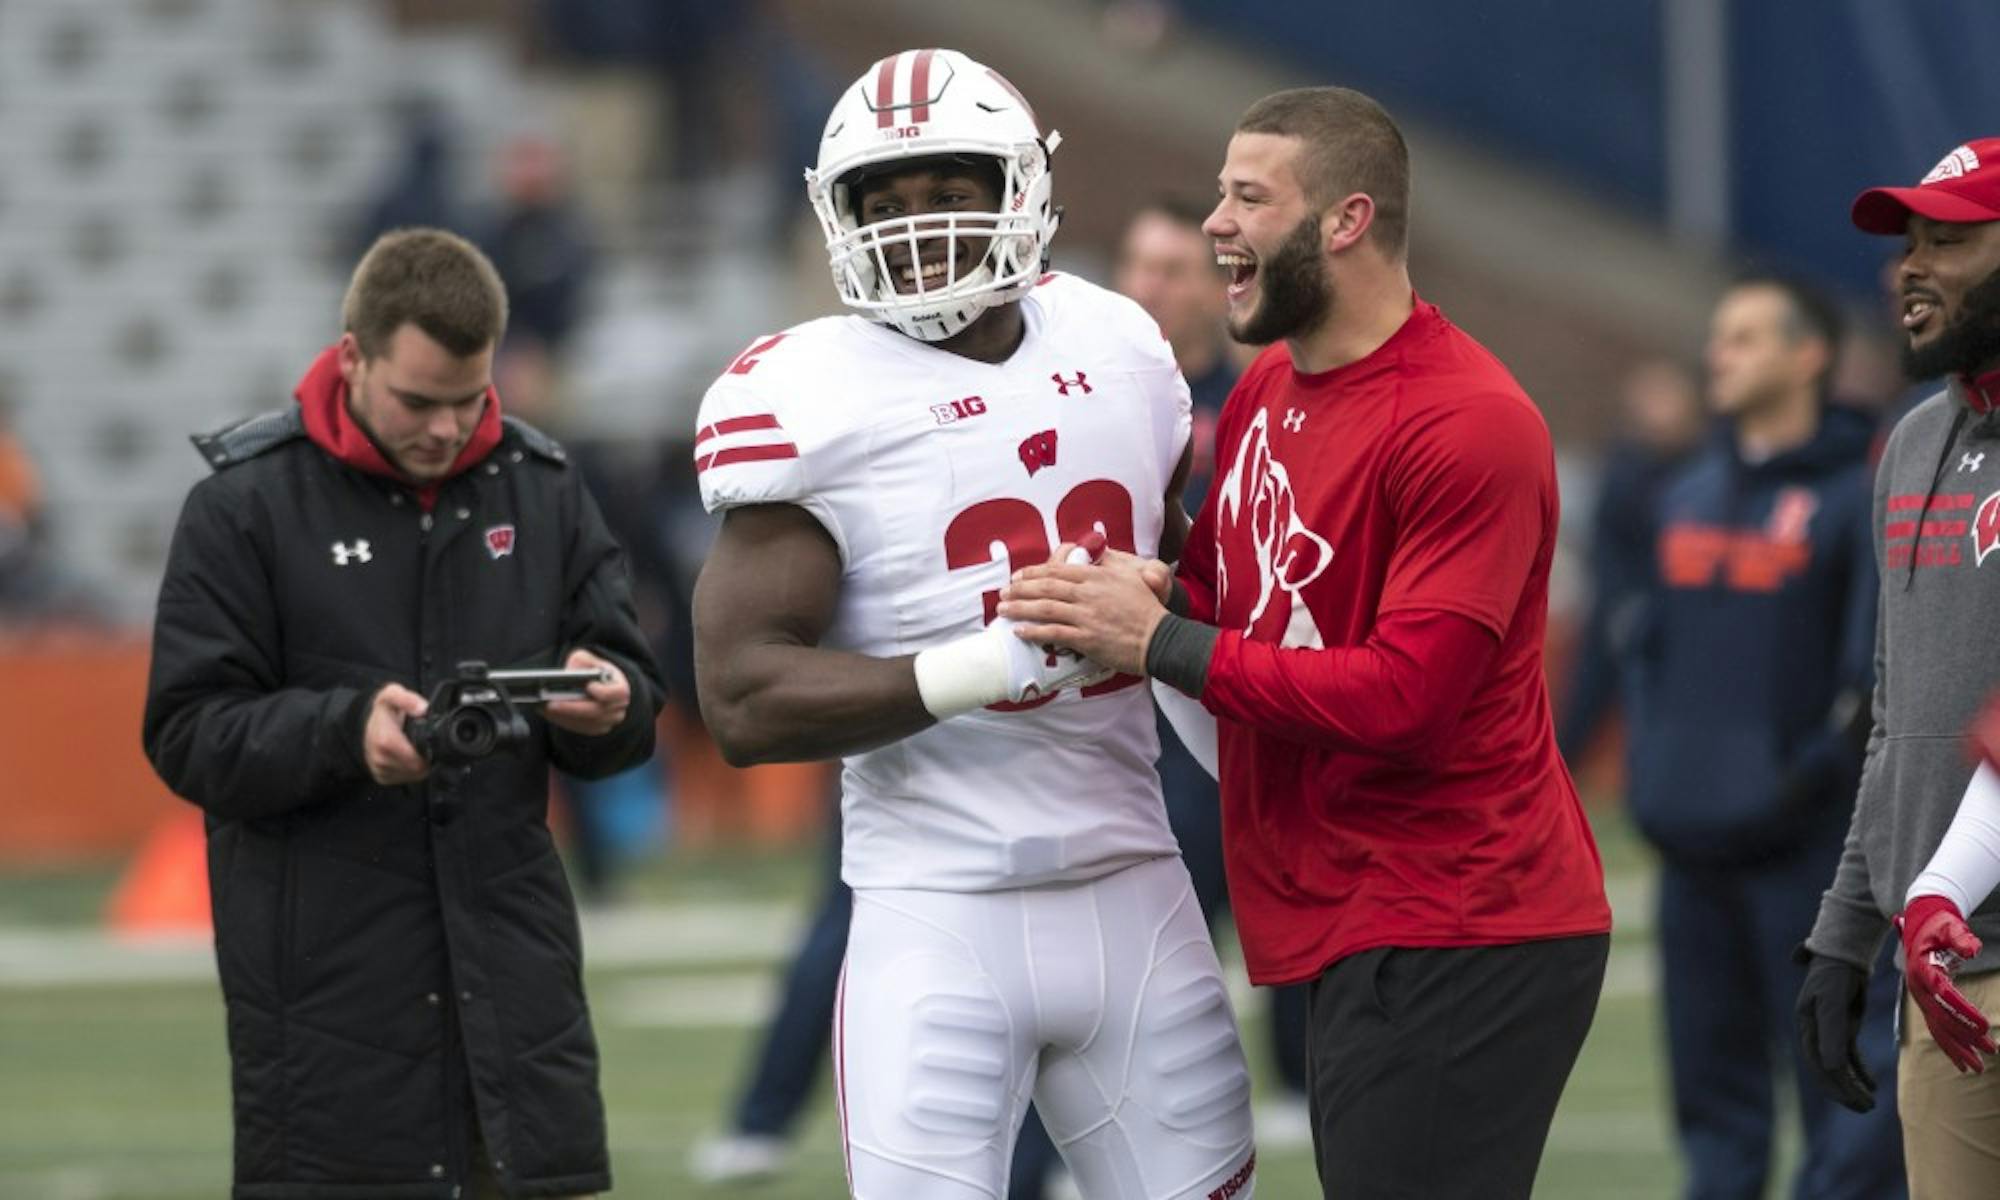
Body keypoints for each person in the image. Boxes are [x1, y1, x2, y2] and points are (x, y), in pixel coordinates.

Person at [998, 86, 1612, 1199]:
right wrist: (1146, 589)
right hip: (1350, 901)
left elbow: (1404, 698)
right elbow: (1227, 588)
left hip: (1459, 917)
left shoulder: (1467, 420)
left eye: (1247, 198)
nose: (1214, 227)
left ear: (1345, 221)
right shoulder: (1273, 381)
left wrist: (1159, 642)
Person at [690, 48, 1257, 1200]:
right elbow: (741, 700)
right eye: (883, 203)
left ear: (1021, 189)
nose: (915, 228)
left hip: (1136, 882)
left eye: (946, 192)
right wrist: (981, 666)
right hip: (933, 913)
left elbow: (1203, 580)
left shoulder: (1122, 348)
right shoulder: (805, 396)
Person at [141, 228, 664, 1199]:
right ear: (353, 358)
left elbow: (628, 689)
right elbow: (186, 733)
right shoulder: (242, 505)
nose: (446, 426)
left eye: (470, 399)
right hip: (326, 997)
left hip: (516, 987)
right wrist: (347, 734)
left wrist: (613, 705)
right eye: (419, 400)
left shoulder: (542, 486)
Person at [1623, 274, 1902, 1199]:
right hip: (1689, 850)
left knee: (1837, 1094)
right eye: (1720, 335)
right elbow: (1645, 650)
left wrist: (1795, 787)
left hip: (1806, 857)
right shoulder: (1687, 491)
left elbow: (1866, 679)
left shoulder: (1858, 493)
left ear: (1808, 355)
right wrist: (1652, 778)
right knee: (1712, 1109)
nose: (1719, 354)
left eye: (1746, 337)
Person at [1798, 137, 2000, 1198]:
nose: (1909, 268)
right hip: (1946, 968)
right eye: (1905, 243)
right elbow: (1895, 715)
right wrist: (1843, 934)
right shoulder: (1912, 442)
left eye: (1950, 241)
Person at [1111, 195, 1312, 1136]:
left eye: (1171, 269)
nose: (1149, 288)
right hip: (1107, 709)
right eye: (1138, 267)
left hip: (1219, 691)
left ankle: (1297, 1082)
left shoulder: (1263, 403)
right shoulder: (1087, 395)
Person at [1555, 358, 1705, 765]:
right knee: (1582, 709)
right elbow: (1606, 547)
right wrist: (1619, 604)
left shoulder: (1700, 470)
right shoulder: (1624, 467)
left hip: (1669, 616)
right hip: (1612, 611)